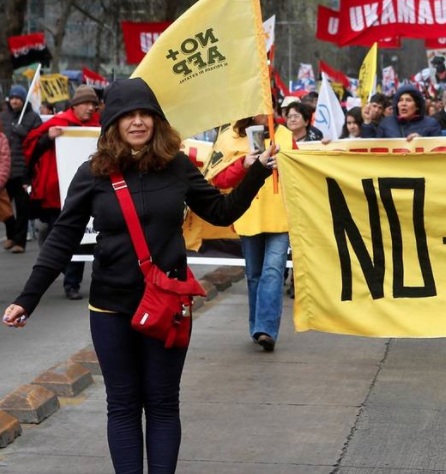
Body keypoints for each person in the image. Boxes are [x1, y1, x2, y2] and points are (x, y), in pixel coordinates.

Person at [3, 78, 275, 474]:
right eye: (128, 115)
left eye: (145, 114)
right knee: (123, 404)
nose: (137, 122)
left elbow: (220, 213)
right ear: (112, 122)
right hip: (111, 308)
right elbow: (61, 239)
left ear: (157, 120)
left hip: (167, 308)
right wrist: (27, 298)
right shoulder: (93, 172)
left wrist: (257, 173)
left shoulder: (178, 165)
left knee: (163, 403)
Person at [211, 116, 293, 351]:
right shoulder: (230, 137)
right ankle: (257, 327)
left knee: (273, 271)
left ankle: (266, 329)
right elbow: (218, 178)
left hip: (280, 215)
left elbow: (301, 174)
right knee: (254, 274)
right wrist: (244, 164)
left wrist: (286, 165)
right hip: (247, 214)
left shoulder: (285, 135)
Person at [23, 85, 101, 300]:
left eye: (93, 104)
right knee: (64, 236)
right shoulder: (57, 124)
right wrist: (47, 138)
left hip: (88, 192)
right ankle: (64, 270)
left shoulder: (99, 127)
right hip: (56, 192)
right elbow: (31, 149)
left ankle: (72, 284)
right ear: (74, 105)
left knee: (84, 238)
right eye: (86, 104)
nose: (90, 108)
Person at [1, 84, 42, 253]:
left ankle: (20, 241)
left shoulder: (33, 118)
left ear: (24, 100)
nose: (15, 101)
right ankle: (11, 235)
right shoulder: (3, 117)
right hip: (5, 170)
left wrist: (24, 132)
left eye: (18, 98)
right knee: (5, 207)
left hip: (24, 171)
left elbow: (40, 141)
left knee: (22, 208)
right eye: (12, 98)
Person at [376, 85, 441, 140]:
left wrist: (422, 142)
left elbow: (438, 151)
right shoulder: (386, 123)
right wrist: (367, 123)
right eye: (400, 100)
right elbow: (374, 149)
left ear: (417, 106)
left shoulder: (432, 125)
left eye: (408, 100)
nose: (403, 104)